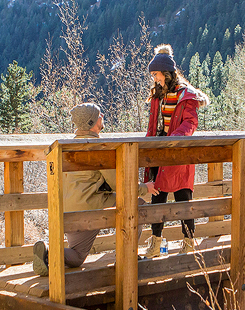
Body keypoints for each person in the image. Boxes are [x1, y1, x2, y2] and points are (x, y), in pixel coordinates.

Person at [32, 103, 147, 275]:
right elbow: (119, 183)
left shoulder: (65, 147)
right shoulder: (98, 148)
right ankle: (127, 255)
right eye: (100, 115)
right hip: (88, 207)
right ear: (92, 121)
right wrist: (145, 187)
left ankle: (49, 253)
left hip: (66, 210)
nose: (103, 117)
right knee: (138, 203)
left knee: (77, 257)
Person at [142, 44, 209, 257]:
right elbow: (153, 126)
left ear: (166, 72)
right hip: (159, 152)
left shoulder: (185, 94)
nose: (155, 78)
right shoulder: (157, 95)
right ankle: (155, 243)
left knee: (183, 199)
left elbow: (190, 122)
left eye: (156, 74)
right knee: (157, 198)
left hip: (179, 152)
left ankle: (189, 242)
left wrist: (175, 140)